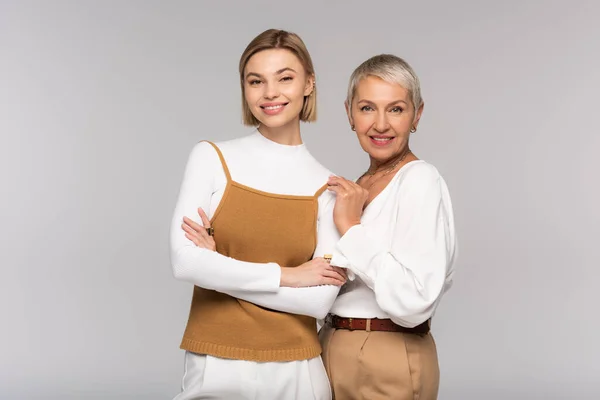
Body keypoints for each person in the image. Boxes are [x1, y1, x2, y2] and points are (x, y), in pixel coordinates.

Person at [169, 29, 346, 400]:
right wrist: (289, 275)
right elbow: (185, 263)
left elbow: (317, 302)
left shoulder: (326, 188)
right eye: (256, 81)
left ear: (308, 84)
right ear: (244, 88)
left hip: (298, 372)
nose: (270, 93)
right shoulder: (211, 157)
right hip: (214, 362)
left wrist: (217, 265)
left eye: (285, 78)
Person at [320, 54, 458, 400]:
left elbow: (414, 300)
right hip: (331, 347)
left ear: (417, 115)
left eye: (395, 109)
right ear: (350, 113)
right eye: (367, 108)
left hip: (388, 354)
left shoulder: (419, 180)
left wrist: (351, 230)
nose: (380, 124)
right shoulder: (357, 186)